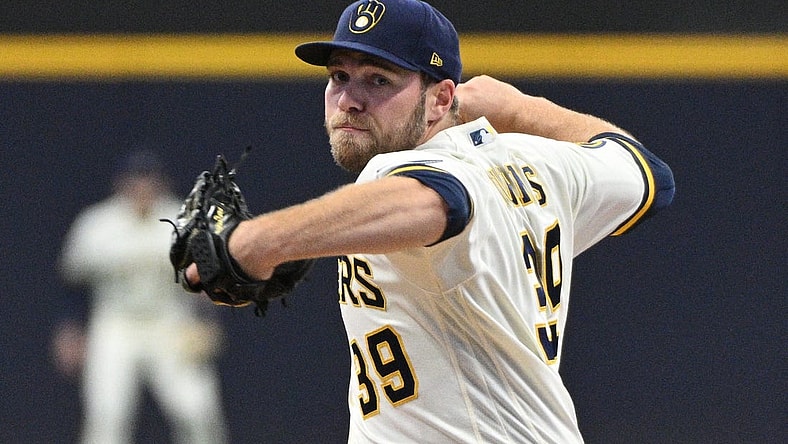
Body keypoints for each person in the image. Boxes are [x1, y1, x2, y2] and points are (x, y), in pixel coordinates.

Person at [186, 0, 675, 442]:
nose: (349, 100)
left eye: (379, 80)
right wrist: (521, 109)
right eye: (339, 76)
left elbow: (440, 201)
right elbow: (649, 174)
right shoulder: (540, 164)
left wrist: (258, 242)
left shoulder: (406, 172)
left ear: (442, 99)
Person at [54, 150, 229, 444]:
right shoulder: (97, 225)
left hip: (170, 322)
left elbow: (206, 277)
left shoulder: (182, 219)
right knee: (107, 416)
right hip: (115, 325)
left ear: (160, 182)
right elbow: (74, 283)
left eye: (148, 179)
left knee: (197, 411)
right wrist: (70, 330)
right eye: (135, 180)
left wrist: (207, 321)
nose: (142, 187)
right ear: (121, 184)